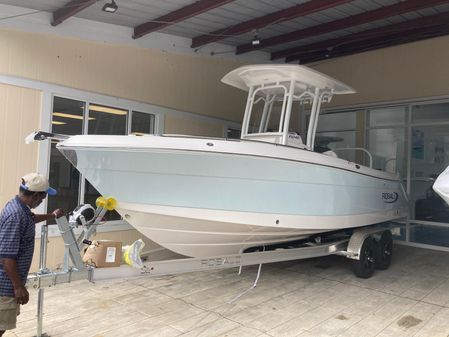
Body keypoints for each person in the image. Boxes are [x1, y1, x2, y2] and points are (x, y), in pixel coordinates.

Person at [0, 173, 63, 336]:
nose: (42, 201)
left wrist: (52, 216)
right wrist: (18, 287)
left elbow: (30, 219)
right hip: (4, 285)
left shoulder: (19, 208)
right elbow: (7, 257)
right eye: (42, 197)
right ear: (35, 195)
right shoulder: (16, 216)